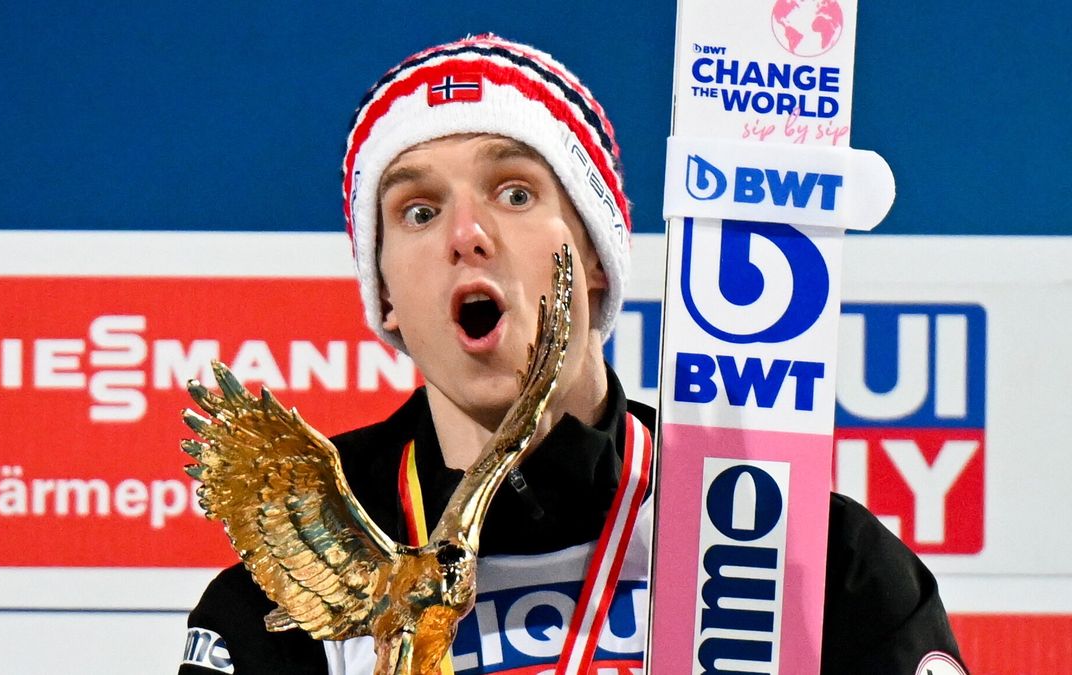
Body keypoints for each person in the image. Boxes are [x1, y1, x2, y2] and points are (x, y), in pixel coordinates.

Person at [179, 34, 967, 674]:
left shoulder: (806, 556)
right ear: (384, 290)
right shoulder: (274, 599)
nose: (466, 235)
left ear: (596, 253)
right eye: (418, 211)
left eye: (515, 193)